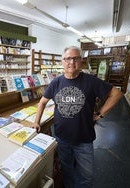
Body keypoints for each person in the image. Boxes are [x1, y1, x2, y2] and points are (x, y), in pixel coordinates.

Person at [32, 46, 123, 188]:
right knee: (67, 170)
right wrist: (36, 122)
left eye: (76, 58)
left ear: (81, 61)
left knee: (87, 175)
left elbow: (116, 94)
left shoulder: (91, 81)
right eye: (68, 58)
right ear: (63, 62)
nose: (71, 62)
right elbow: (42, 102)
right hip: (62, 137)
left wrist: (100, 114)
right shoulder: (56, 82)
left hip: (84, 139)